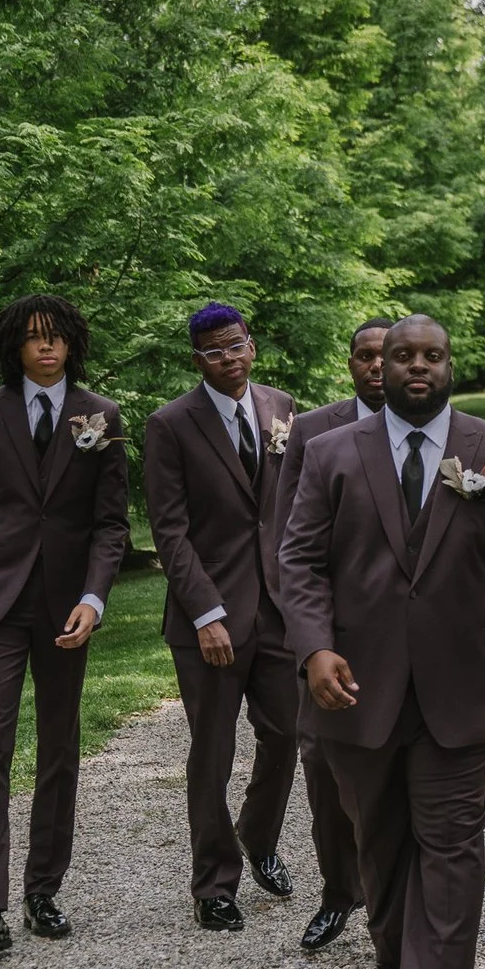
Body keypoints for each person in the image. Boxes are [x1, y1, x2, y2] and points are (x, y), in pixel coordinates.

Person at [277, 314, 485, 969]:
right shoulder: (331, 452)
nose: (414, 366)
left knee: (452, 840)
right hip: (356, 685)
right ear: (380, 365)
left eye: (430, 355)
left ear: (449, 365)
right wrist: (314, 649)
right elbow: (298, 561)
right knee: (379, 840)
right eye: (401, 354)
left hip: (465, 686)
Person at [0, 295, 130, 964]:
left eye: (55, 337)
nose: (45, 347)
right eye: (32, 337)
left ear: (71, 343)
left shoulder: (100, 415)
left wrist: (93, 599)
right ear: (14, 346)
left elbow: (111, 523)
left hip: (66, 608)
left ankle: (43, 889)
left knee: (59, 747)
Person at [141, 304, 302, 933]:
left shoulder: (281, 406)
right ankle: (213, 882)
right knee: (212, 751)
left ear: (251, 347)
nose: (227, 358)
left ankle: (258, 836)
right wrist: (206, 613)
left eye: (235, 346)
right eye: (213, 351)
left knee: (287, 734)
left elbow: (289, 509)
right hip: (207, 618)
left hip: (278, 612)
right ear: (197, 360)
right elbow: (170, 532)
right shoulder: (170, 425)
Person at [271, 318, 394, 953]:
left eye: (385, 355)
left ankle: (396, 892)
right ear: (350, 363)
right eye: (364, 355)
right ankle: (338, 891)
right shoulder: (315, 431)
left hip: (400, 633)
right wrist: (308, 634)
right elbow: (288, 540)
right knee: (321, 761)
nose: (376, 365)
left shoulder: (444, 433)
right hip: (327, 633)